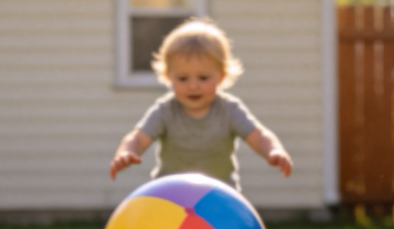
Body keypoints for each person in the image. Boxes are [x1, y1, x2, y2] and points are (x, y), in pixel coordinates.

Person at [109, 18, 293, 190]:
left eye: (203, 78)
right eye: (183, 78)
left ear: (221, 76)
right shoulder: (166, 111)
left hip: (218, 194)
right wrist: (126, 152)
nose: (193, 86)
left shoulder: (229, 110)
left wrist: (274, 151)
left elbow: (259, 136)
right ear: (168, 77)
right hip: (172, 195)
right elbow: (138, 138)